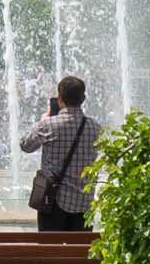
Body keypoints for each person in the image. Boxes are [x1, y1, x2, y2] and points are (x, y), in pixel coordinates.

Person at [17, 75, 103, 233]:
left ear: (59, 98)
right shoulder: (96, 128)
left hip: (53, 202)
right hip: (84, 203)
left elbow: (25, 145)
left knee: (49, 252)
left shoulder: (48, 125)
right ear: (83, 98)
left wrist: (42, 120)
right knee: (79, 252)